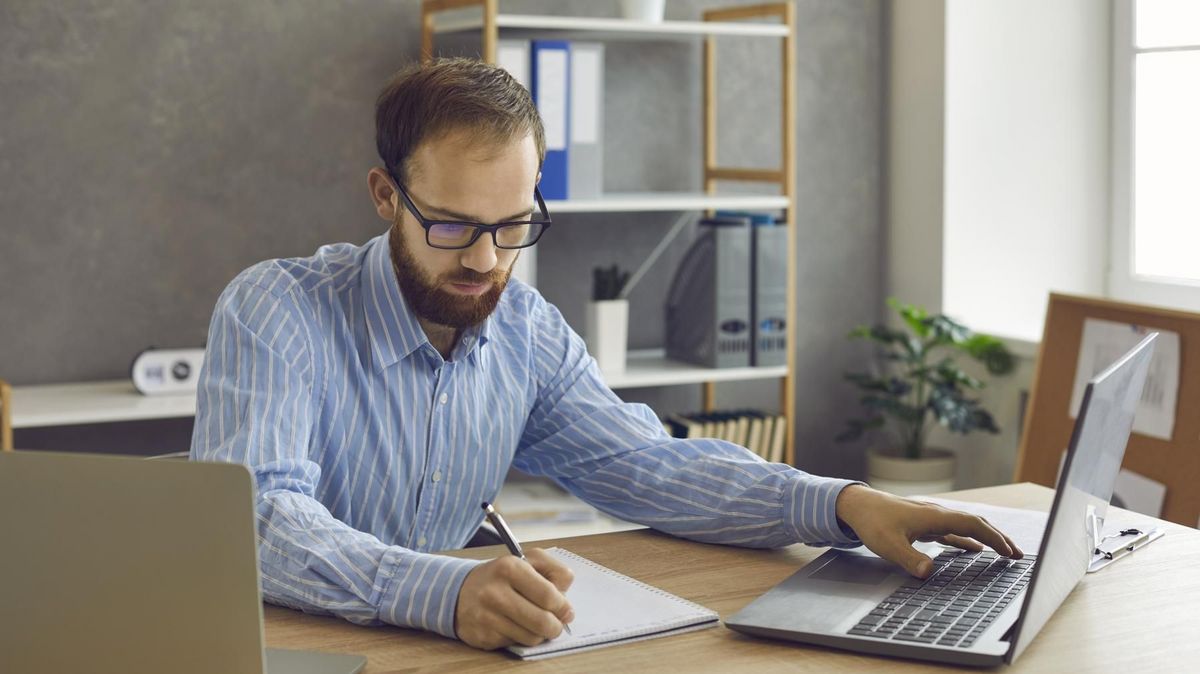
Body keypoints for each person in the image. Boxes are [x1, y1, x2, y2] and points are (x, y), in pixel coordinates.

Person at [191, 58, 1021, 651]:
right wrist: (440, 590)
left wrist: (842, 504)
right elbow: (255, 521)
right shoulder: (276, 309)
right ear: (385, 196)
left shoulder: (525, 328)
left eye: (513, 226)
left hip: (455, 649)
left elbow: (649, 464)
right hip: (289, 649)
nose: (485, 261)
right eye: (451, 225)